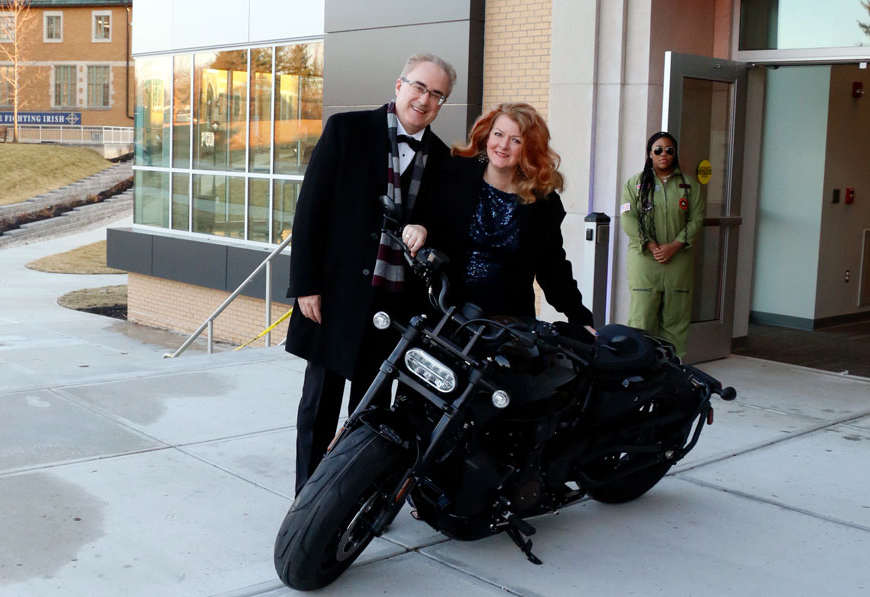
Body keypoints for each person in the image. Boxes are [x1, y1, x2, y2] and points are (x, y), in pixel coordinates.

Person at [285, 52, 457, 494]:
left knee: (374, 408)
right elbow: (310, 210)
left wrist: (429, 229)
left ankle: (356, 499)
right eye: (419, 86)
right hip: (337, 292)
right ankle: (307, 499)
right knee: (320, 404)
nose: (425, 99)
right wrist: (306, 285)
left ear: (442, 104)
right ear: (400, 85)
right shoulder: (346, 129)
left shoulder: (442, 157)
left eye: (437, 94)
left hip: (396, 305)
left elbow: (444, 226)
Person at [425, 102, 594, 332]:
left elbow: (554, 269)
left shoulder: (543, 204)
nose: (503, 145)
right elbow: (428, 221)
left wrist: (580, 319)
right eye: (498, 134)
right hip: (446, 316)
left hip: (506, 328)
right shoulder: (456, 175)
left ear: (529, 148)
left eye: (516, 140)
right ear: (487, 136)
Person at [619, 131, 704, 357]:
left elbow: (696, 219)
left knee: (676, 317)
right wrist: (650, 244)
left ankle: (672, 368)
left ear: (675, 154)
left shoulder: (689, 185)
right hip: (645, 260)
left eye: (669, 150)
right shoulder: (635, 184)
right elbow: (628, 218)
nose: (663, 154)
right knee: (642, 317)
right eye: (658, 150)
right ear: (650, 154)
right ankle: (640, 365)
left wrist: (675, 245)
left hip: (678, 260)